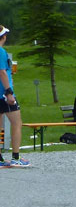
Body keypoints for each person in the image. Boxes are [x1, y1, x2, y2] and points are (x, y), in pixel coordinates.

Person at [0, 25, 30, 168]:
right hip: (3, 94)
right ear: (3, 37)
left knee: (0, 126)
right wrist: (9, 92)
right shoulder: (1, 52)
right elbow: (2, 72)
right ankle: (16, 157)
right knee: (17, 123)